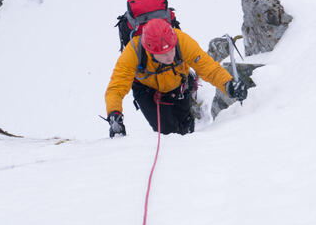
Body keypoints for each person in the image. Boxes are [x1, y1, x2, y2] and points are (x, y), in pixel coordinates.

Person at [105, 18, 247, 137]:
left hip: (179, 85)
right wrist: (114, 113)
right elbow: (117, 86)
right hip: (148, 92)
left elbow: (208, 68)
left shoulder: (181, 40)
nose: (170, 56)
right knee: (168, 133)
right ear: (150, 51)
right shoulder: (133, 52)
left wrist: (228, 84)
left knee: (187, 128)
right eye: (163, 53)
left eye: (171, 49)